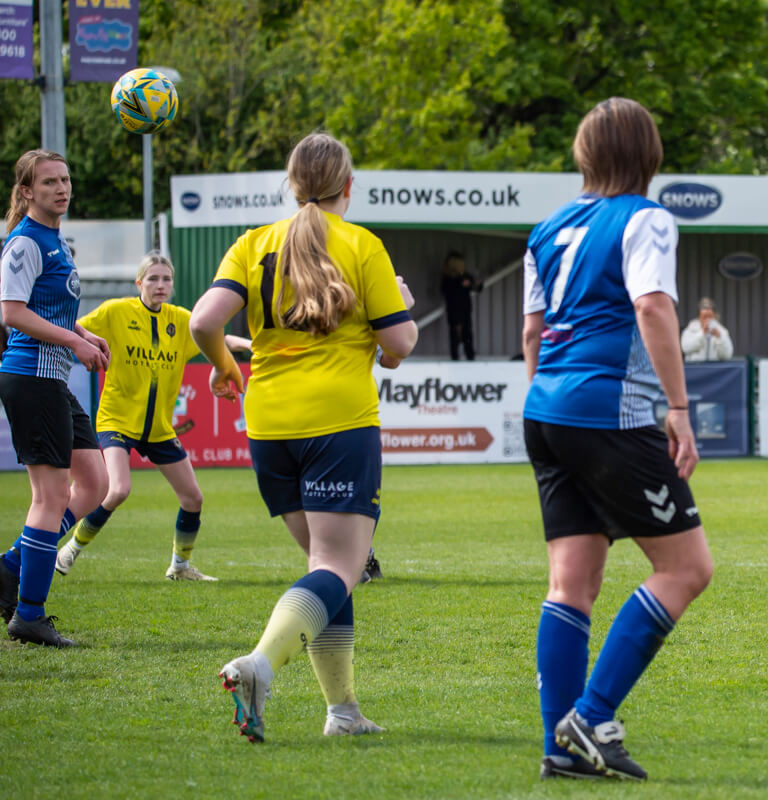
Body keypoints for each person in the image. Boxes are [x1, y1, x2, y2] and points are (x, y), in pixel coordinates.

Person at [189, 132, 418, 742]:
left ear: (292, 186)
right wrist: (401, 308)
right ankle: (260, 665)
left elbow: (204, 321)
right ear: (348, 186)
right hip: (338, 421)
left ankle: (343, 713)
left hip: (268, 425)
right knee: (340, 567)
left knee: (326, 570)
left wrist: (226, 366)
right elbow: (398, 346)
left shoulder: (254, 242)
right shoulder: (361, 245)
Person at [523, 97, 713, 782]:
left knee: (571, 582)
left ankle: (558, 746)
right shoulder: (647, 218)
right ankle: (591, 714)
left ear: (584, 152)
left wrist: (551, 404)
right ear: (649, 153)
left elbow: (531, 333)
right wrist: (680, 408)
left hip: (545, 407)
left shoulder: (547, 228)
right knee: (686, 570)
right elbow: (653, 306)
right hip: (608, 409)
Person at [53, 251, 250, 581]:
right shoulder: (116, 312)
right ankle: (69, 550)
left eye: (167, 279)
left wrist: (252, 345)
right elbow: (75, 331)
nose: (161, 285)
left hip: (158, 428)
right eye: (154, 278)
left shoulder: (181, 319)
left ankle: (180, 567)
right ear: (139, 282)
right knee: (117, 491)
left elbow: (219, 336)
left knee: (193, 498)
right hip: (117, 420)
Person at [0, 149, 110, 647]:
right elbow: (12, 313)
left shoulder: (55, 240)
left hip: (53, 380)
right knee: (49, 498)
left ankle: (9, 568)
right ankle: (29, 614)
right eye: (48, 183)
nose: (62, 188)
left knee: (94, 483)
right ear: (26, 192)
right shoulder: (24, 242)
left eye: (65, 179)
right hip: (32, 378)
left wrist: (83, 331)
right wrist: (73, 341)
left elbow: (51, 308)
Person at [440, 250, 482, 360]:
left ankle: (470, 356)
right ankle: (455, 357)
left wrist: (477, 284)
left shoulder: (466, 276)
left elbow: (477, 288)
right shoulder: (448, 278)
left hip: (465, 309)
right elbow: (445, 290)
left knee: (467, 333)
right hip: (454, 309)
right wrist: (460, 285)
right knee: (455, 334)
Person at [680, 297, 733, 361]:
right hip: (695, 369)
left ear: (715, 316)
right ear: (699, 316)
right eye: (705, 317)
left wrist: (719, 338)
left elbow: (727, 355)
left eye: (710, 317)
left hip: (716, 369)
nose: (708, 320)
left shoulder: (722, 331)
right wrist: (702, 334)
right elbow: (686, 349)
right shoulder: (690, 330)